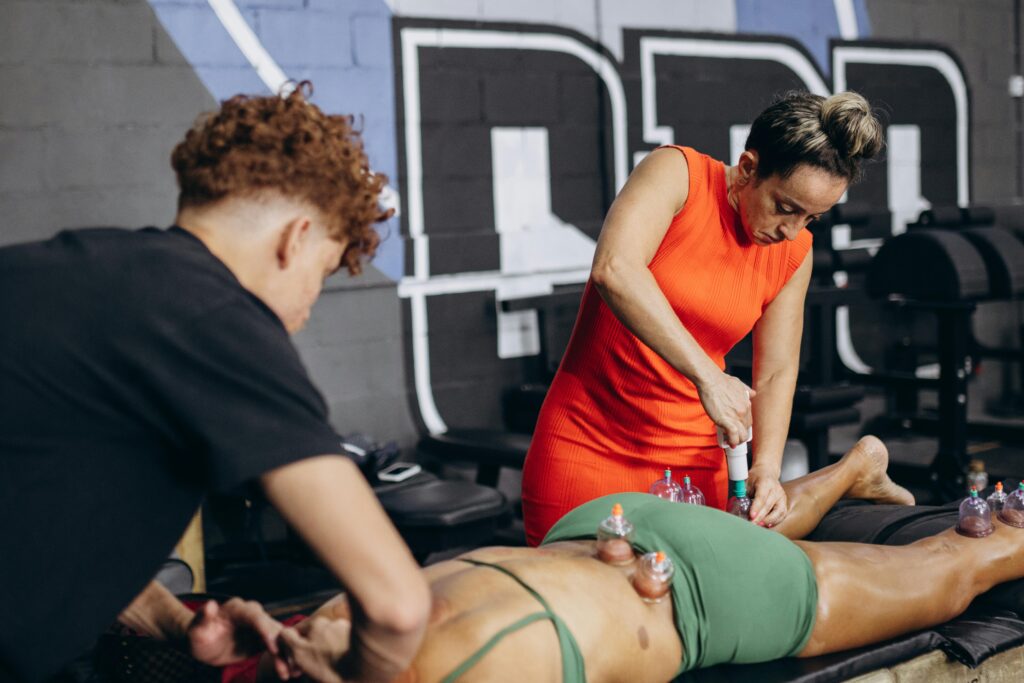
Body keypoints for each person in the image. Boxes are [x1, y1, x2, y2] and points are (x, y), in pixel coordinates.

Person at [0, 83, 430, 682]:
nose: (306, 311)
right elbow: (398, 605)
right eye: (322, 276)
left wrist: (178, 621)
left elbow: (38, 529)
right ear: (295, 238)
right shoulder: (216, 318)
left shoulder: (72, 270)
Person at [252, 438, 1024, 682]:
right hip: (603, 528)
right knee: (747, 533)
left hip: (692, 588)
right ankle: (857, 464)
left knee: (953, 568)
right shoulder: (327, 618)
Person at [521, 91, 884, 543]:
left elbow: (775, 371)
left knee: (697, 601)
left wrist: (766, 468)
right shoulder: (677, 174)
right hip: (588, 440)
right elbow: (615, 270)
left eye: (812, 218)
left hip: (694, 456)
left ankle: (856, 469)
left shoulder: (794, 253)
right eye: (786, 207)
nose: (791, 230)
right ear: (749, 168)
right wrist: (709, 379)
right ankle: (853, 470)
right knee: (579, 602)